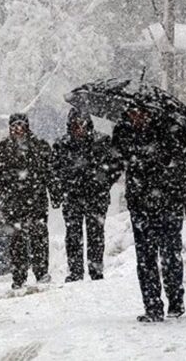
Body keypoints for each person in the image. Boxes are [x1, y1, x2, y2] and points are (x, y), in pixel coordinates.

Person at [112, 107, 186, 322]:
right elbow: (114, 164)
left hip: (169, 202)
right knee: (145, 258)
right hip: (140, 204)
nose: (137, 117)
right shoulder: (123, 132)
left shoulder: (171, 130)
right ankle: (152, 306)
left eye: (140, 113)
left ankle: (175, 301)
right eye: (132, 113)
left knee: (170, 254)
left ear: (150, 112)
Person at [0, 113, 60, 290]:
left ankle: (41, 272)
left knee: (38, 237)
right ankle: (19, 276)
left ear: (27, 126)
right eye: (14, 125)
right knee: (16, 240)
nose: (18, 129)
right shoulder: (1, 149)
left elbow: (51, 173)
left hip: (36, 200)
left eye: (21, 125)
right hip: (12, 202)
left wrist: (55, 193)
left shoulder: (40, 147)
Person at [53, 109, 121, 282]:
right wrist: (64, 185)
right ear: (70, 125)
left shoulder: (103, 141)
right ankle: (76, 271)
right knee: (73, 235)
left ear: (88, 124)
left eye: (82, 123)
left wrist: (104, 183)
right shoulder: (61, 145)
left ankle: (96, 270)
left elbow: (116, 166)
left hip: (96, 196)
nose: (79, 128)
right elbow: (54, 170)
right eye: (75, 124)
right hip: (72, 197)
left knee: (96, 234)